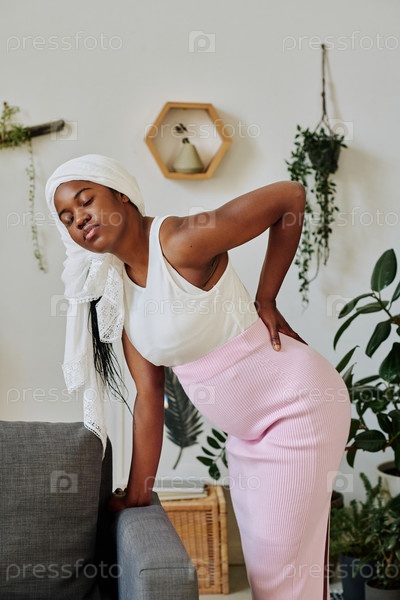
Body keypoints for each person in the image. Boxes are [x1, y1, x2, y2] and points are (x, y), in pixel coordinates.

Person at [46, 154, 351, 600]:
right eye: (67, 218)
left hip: (299, 406)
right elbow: (148, 398)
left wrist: (267, 298)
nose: (79, 219)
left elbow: (289, 197)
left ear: (121, 195)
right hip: (246, 435)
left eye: (86, 200)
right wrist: (136, 496)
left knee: (282, 574)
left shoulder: (179, 241)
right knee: (274, 574)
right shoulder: (122, 294)